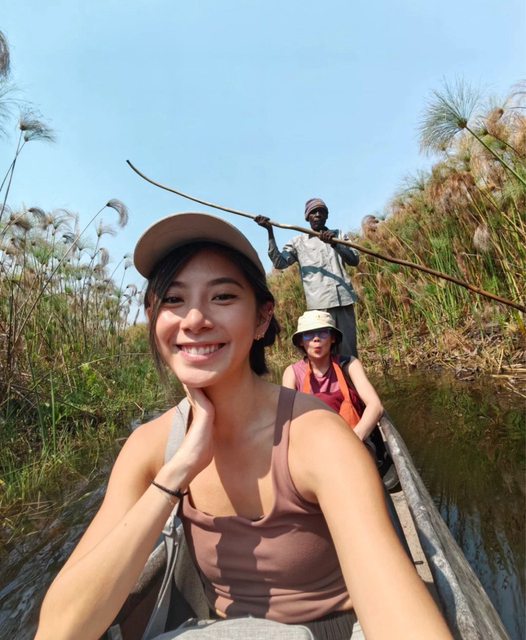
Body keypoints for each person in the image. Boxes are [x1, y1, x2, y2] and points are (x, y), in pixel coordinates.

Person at [35, 212, 452, 640]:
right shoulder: (150, 445)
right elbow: (61, 631)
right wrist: (175, 475)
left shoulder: (318, 436)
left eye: (222, 296)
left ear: (262, 319)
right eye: (173, 299)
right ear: (152, 317)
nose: (194, 320)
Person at [255, 197, 360, 358]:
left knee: (348, 351)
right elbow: (279, 263)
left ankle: (349, 375)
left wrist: (335, 244)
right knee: (323, 353)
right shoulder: (298, 242)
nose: (317, 215)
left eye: (321, 212)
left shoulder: (338, 235)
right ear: (307, 217)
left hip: (344, 301)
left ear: (326, 216)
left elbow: (354, 260)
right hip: (319, 306)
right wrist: (270, 232)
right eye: (313, 212)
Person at [282, 310, 382, 443]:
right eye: (308, 335)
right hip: (313, 444)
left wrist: (355, 438)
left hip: (353, 439)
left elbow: (375, 405)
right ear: (301, 341)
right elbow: (286, 419)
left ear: (333, 338)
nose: (316, 339)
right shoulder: (292, 373)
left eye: (323, 333)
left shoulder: (350, 365)